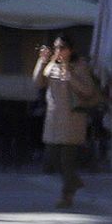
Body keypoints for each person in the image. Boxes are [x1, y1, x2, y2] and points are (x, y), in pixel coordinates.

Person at [32, 37, 98, 209]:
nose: (58, 51)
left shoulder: (80, 66)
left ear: (71, 50)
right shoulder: (52, 66)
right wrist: (42, 61)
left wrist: (70, 76)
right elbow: (38, 82)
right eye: (56, 48)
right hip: (53, 119)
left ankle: (66, 196)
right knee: (52, 158)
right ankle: (74, 182)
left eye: (62, 47)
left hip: (72, 119)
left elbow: (88, 90)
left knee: (67, 161)